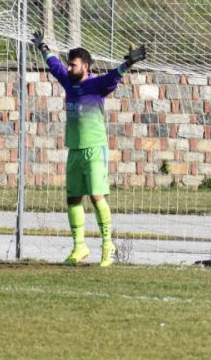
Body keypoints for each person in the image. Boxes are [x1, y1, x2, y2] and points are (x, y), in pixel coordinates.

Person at [31, 31, 146, 267]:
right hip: (74, 149)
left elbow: (115, 76)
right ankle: (80, 247)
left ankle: (107, 246)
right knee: (73, 199)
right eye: (69, 65)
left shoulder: (97, 85)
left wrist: (129, 63)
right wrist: (42, 47)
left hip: (94, 149)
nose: (69, 68)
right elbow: (54, 66)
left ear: (85, 66)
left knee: (96, 197)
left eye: (73, 65)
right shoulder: (69, 82)